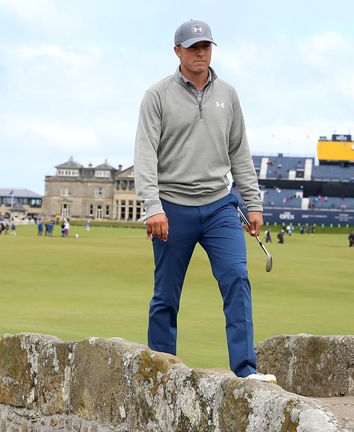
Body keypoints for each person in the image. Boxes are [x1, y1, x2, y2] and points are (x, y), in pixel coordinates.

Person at [134, 19, 274, 383]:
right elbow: (145, 154)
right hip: (172, 208)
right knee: (166, 295)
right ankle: (160, 374)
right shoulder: (157, 95)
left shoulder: (228, 93)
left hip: (219, 206)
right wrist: (153, 207)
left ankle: (246, 370)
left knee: (237, 279)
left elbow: (239, 151)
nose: (201, 53)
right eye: (193, 47)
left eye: (206, 47)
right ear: (177, 51)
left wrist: (253, 203)